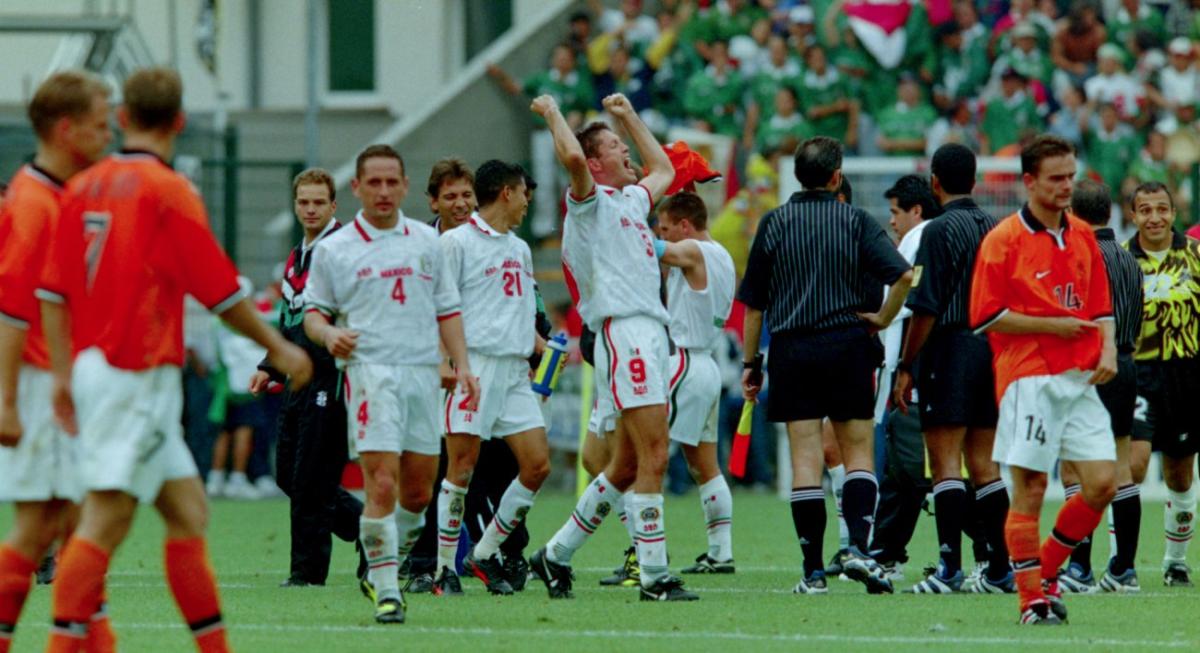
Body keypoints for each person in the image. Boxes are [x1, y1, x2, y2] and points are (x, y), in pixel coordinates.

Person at [41, 67, 313, 652]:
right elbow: (220, 292)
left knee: (189, 511)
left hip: (103, 370)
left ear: (122, 118)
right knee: (104, 521)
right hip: (134, 373)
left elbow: (52, 293)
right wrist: (280, 347)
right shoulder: (169, 190)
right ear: (181, 122)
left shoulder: (85, 185)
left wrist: (63, 374)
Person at [526, 92, 694, 602]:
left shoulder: (631, 201)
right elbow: (574, 159)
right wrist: (553, 113)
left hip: (647, 333)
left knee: (624, 466)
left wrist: (628, 117)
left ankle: (555, 555)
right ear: (597, 163)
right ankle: (654, 575)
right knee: (655, 453)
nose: (627, 152)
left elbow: (663, 169)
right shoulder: (589, 203)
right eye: (616, 147)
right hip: (626, 332)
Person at [303, 143, 478, 624]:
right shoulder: (335, 249)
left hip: (422, 374)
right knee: (381, 480)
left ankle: (381, 558)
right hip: (370, 373)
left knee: (418, 494)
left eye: (391, 182)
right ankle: (386, 589)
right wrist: (329, 334)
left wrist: (462, 365)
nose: (383, 191)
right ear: (357, 187)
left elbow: (447, 308)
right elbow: (313, 313)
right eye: (373, 182)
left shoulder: (426, 242)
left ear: (404, 186)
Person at [739, 136, 914, 595]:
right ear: (837, 176)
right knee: (858, 454)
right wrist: (883, 319)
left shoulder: (775, 223)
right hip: (848, 347)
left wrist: (752, 362)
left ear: (798, 175)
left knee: (805, 460)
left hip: (793, 350)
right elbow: (903, 275)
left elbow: (754, 306)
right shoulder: (855, 220)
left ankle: (813, 572)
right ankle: (857, 548)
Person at [969, 135, 1118, 625]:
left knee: (1102, 483)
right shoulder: (1003, 239)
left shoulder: (1083, 235)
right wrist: (1053, 325)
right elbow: (985, 317)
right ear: (1029, 182)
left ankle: (1047, 571)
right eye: (1056, 178)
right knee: (1031, 487)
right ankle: (1030, 600)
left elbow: (1100, 306)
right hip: (1027, 374)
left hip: (1079, 375)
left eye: (1071, 176)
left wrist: (1108, 350)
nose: (1066, 186)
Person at [0, 69, 114, 653]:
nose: (108, 133)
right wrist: (8, 403)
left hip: (62, 384)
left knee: (74, 526)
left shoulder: (60, 194)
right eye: (100, 124)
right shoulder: (33, 204)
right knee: (44, 527)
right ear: (67, 129)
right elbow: (11, 310)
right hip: (41, 387)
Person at [893, 144, 1013, 595]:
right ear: (975, 181)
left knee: (945, 462)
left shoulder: (937, 230)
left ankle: (949, 569)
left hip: (951, 348)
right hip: (993, 349)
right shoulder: (998, 227)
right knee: (985, 464)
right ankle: (999, 568)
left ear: (934, 183)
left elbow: (925, 306)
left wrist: (906, 364)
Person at [436, 160, 551, 596]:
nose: (526, 203)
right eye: (523, 194)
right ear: (506, 192)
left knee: (537, 465)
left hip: (514, 372)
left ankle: (483, 553)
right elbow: (438, 306)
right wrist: (445, 361)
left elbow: (517, 307)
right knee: (461, 468)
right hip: (475, 367)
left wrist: (542, 348)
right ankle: (444, 569)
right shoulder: (456, 242)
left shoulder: (519, 248)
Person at [247, 167, 364, 588]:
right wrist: (269, 366)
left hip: (329, 377)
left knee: (310, 477)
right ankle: (369, 528)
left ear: (334, 206)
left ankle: (307, 572)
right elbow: (291, 321)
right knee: (288, 475)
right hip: (297, 378)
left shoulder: (342, 251)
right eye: (303, 202)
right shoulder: (297, 255)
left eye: (318, 202)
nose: (310, 209)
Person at [1053, 179, 1144, 594]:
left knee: (1076, 468)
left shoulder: (1078, 255)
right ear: (1110, 213)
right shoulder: (1129, 258)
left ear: (1072, 214)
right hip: (1125, 363)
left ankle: (1079, 566)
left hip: (1089, 366)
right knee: (1121, 468)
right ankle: (1124, 569)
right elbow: (1138, 317)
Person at [654, 192, 737, 574]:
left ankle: (644, 554)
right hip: (706, 364)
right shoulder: (722, 254)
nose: (662, 235)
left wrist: (622, 216)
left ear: (685, 226)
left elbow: (655, 250)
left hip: (684, 362)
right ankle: (721, 552)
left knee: (645, 457)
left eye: (666, 228)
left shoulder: (692, 250)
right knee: (704, 465)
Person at [1123, 181, 1200, 588]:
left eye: (1161, 209)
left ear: (1174, 213)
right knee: (1132, 467)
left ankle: (1175, 562)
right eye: (1145, 210)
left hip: (1186, 375)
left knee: (1180, 474)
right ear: (1133, 215)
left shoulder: (1195, 255)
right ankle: (1121, 564)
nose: (1154, 217)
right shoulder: (1121, 258)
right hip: (1138, 373)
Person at [868, 174, 936, 578]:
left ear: (917, 210)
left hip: (917, 371)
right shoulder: (948, 233)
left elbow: (911, 308)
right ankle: (885, 552)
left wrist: (902, 369)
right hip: (937, 369)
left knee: (914, 467)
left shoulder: (919, 239)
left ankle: (988, 553)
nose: (892, 221)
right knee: (905, 469)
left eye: (896, 212)